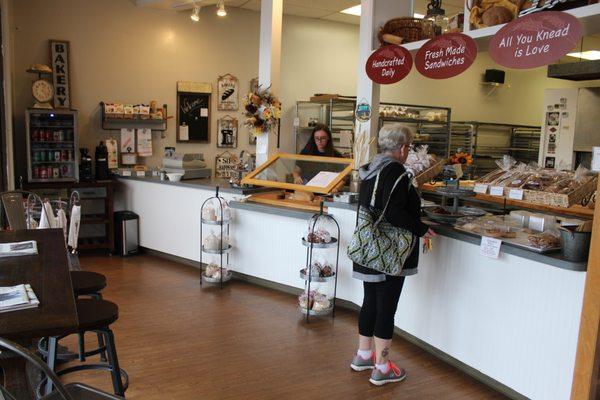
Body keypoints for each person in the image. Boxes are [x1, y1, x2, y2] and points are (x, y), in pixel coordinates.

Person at [349, 123, 435, 386]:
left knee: (371, 302)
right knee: (387, 307)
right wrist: (422, 229)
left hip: (369, 248)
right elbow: (396, 212)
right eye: (408, 146)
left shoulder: (370, 168)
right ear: (403, 147)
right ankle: (383, 367)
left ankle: (364, 355)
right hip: (390, 252)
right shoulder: (396, 171)